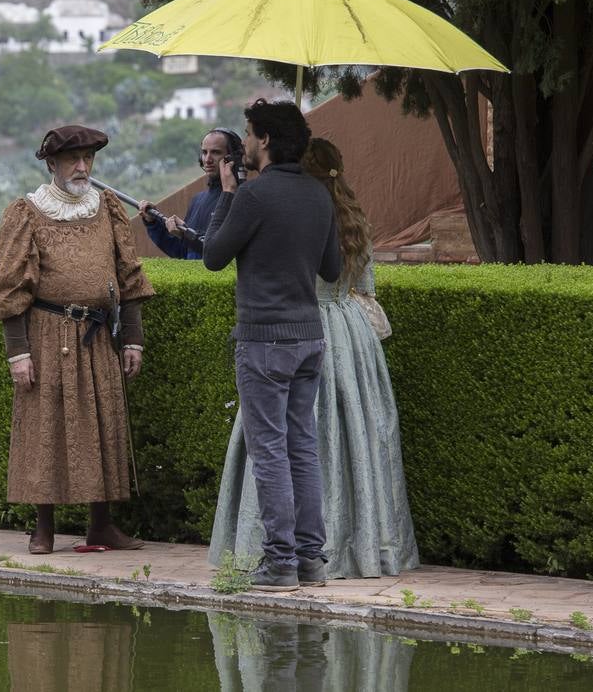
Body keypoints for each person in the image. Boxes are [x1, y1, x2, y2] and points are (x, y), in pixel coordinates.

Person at [209, 139, 420, 579]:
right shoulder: (355, 219)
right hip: (351, 334)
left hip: (291, 326)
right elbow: (367, 289)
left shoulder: (288, 210)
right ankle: (333, 551)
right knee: (340, 438)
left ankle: (279, 555)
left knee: (276, 445)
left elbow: (229, 257)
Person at [0, 124, 155, 554]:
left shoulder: (109, 208)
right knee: (47, 428)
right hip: (47, 335)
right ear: (51, 164)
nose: (82, 167)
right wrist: (18, 353)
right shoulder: (26, 212)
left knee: (103, 425)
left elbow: (130, 276)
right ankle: (43, 528)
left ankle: (101, 525)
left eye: (88, 159)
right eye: (72, 160)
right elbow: (9, 290)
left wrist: (132, 339)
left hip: (99, 336)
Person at [201, 98, 341, 592]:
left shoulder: (253, 197)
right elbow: (333, 269)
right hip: (309, 338)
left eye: (249, 134)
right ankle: (311, 561)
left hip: (264, 340)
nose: (245, 142)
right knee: (302, 447)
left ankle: (279, 561)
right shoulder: (320, 195)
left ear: (264, 140)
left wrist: (227, 194)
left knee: (270, 451)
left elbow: (213, 256)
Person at [136, 128, 244, 259]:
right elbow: (182, 252)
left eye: (215, 152)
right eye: (204, 152)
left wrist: (187, 234)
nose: (208, 159)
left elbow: (220, 251)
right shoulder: (198, 200)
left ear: (233, 158)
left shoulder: (243, 199)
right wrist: (152, 223)